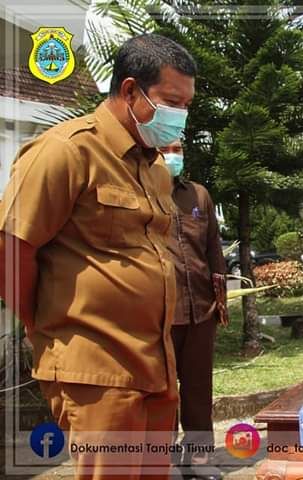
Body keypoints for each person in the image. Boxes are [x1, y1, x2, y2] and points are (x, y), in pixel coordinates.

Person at [0, 34, 196, 479]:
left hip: (154, 364)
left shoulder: (152, 168)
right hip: (96, 369)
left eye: (186, 105)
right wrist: (41, 326)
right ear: (130, 91)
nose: (179, 116)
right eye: (170, 102)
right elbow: (12, 250)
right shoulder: (66, 151)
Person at [160, 140, 226, 480]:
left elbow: (214, 248)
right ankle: (166, 460)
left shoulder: (198, 195)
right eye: (165, 149)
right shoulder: (139, 193)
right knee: (164, 390)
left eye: (178, 149)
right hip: (158, 313)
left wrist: (220, 300)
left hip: (201, 308)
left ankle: (200, 458)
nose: (172, 156)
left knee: (199, 387)